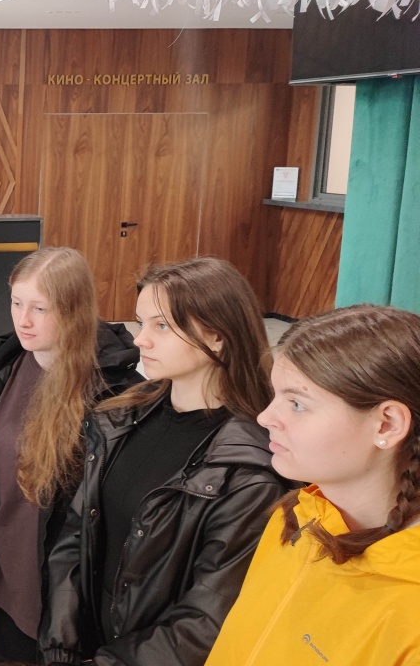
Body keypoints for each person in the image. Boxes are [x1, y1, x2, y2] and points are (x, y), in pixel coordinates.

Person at [40, 257, 288, 666]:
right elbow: (75, 536)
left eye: (162, 326)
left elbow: (207, 620)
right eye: (142, 323)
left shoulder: (249, 472)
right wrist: (60, 645)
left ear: (217, 335)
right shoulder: (119, 419)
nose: (140, 340)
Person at [0, 247, 142, 666]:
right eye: (16, 303)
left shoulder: (112, 392)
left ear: (74, 310)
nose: (23, 320)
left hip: (67, 599)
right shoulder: (1, 367)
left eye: (39, 308)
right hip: (5, 580)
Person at [207, 305, 420, 665]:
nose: (265, 417)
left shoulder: (411, 615)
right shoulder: (296, 518)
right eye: (275, 396)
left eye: (297, 404)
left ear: (386, 424)